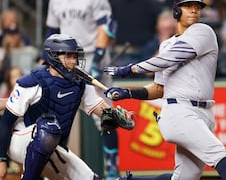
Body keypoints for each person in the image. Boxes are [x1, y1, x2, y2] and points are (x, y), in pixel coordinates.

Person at [104, 0, 226, 180]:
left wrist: (130, 69)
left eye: (197, 7)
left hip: (204, 113)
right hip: (179, 112)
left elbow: (169, 60)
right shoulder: (166, 45)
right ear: (176, 11)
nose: (194, 10)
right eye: (188, 6)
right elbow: (159, 88)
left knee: (185, 177)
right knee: (222, 159)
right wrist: (128, 93)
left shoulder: (203, 32)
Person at [0, 34, 134, 180]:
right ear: (54, 57)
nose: (74, 61)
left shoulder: (80, 85)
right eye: (69, 56)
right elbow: (6, 122)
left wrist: (120, 116)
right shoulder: (32, 81)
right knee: (48, 128)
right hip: (20, 141)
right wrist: (1, 160)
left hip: (53, 146)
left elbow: (104, 112)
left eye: (75, 56)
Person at [45, 0, 120, 178]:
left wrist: (96, 62)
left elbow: (106, 27)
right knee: (57, 113)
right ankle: (52, 167)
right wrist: (47, 60)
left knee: (106, 116)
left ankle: (112, 168)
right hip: (65, 59)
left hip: (92, 55)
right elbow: (52, 32)